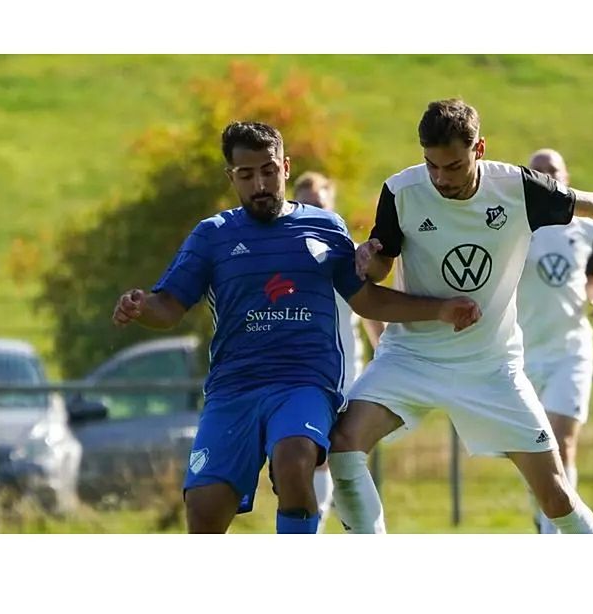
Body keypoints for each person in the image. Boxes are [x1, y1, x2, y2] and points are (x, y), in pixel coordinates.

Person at [328, 98, 593, 534]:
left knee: (556, 495)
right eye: (432, 166)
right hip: (412, 357)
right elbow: (382, 264)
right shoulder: (402, 191)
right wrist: (368, 258)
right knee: (343, 446)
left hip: (491, 366)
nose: (441, 179)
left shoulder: (518, 188)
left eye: (453, 166)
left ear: (479, 149)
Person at [111, 121, 481, 534]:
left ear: (285, 167)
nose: (260, 184)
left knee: (294, 459)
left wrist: (440, 309)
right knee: (203, 509)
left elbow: (366, 299)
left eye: (269, 171)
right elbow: (168, 307)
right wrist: (140, 307)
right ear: (231, 177)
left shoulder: (325, 227)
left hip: (304, 382)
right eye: (247, 175)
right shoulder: (212, 236)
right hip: (235, 389)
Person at [517, 148, 593, 534]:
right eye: (537, 171)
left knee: (562, 442)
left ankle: (559, 534)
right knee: (535, 453)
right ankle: (546, 518)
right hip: (522, 352)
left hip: (570, 350)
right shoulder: (514, 225)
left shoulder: (587, 227)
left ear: (567, 175)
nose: (547, 176)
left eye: (553, 169)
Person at [292, 171, 386, 533]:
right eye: (305, 204)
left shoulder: (348, 255)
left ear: (331, 205)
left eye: (319, 203)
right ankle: (325, 523)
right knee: (316, 455)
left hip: (346, 371)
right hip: (304, 370)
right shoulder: (287, 256)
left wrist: (388, 356)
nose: (313, 210)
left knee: (334, 455)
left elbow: (371, 311)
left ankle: (329, 524)